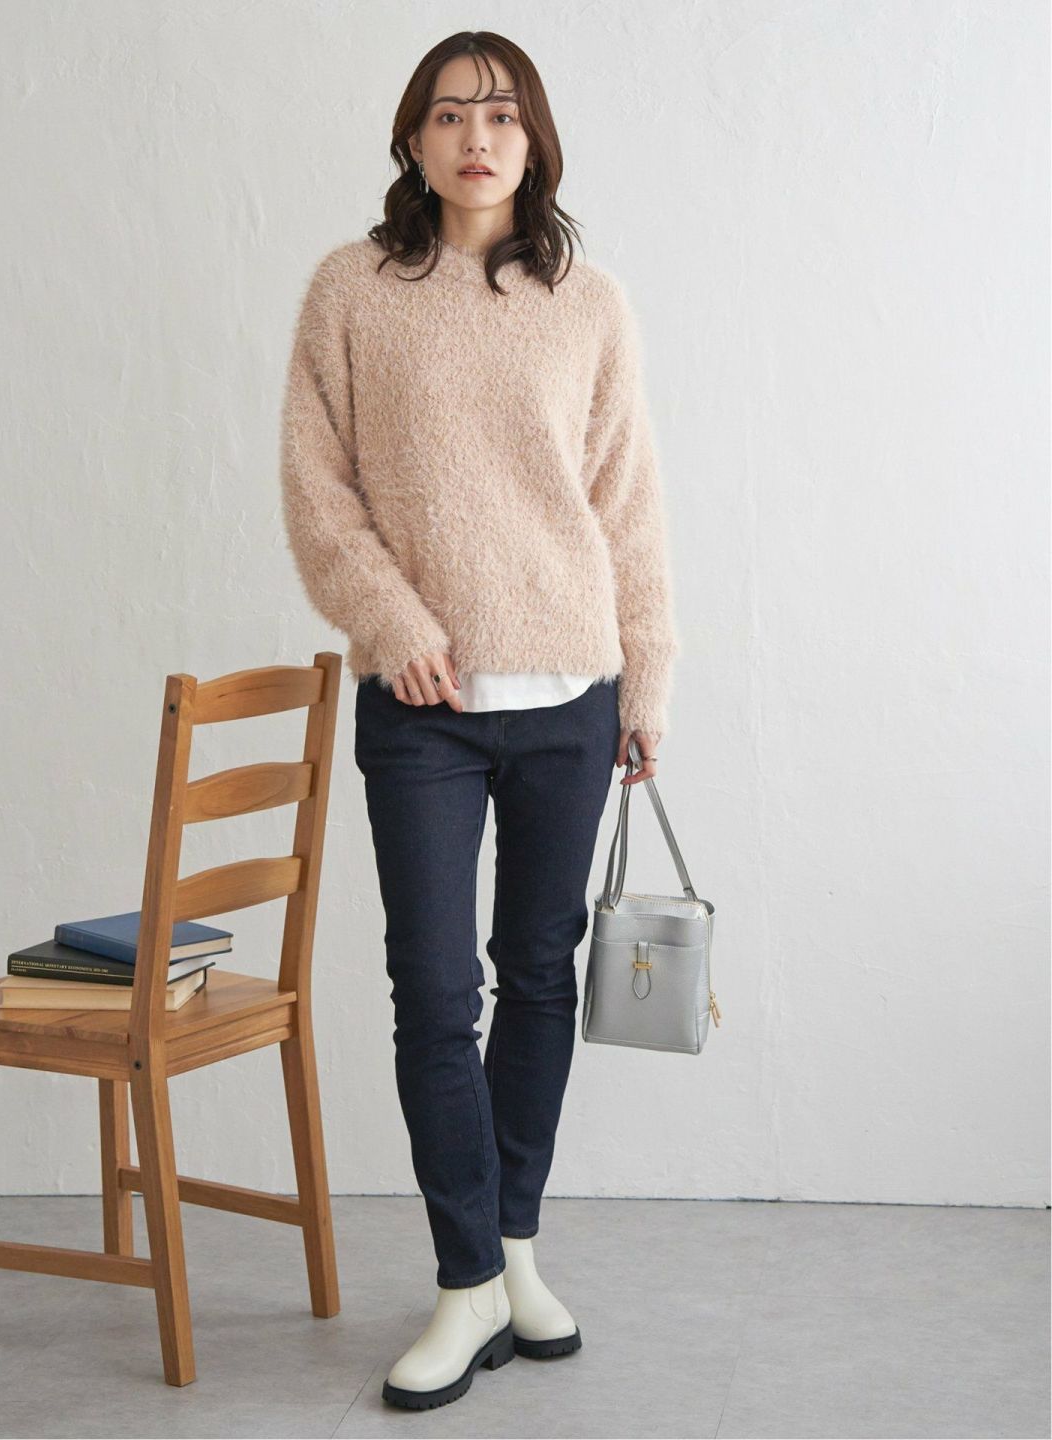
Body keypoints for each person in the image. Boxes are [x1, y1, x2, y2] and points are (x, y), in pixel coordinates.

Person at [279, 29, 679, 1413]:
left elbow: (628, 506)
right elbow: (319, 490)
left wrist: (647, 679)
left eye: (502, 115)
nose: (476, 137)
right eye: (450, 114)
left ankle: (513, 1253)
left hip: (571, 698)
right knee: (437, 994)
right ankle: (463, 1282)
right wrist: (393, 625)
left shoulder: (590, 304)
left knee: (541, 978)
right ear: (413, 138)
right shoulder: (353, 291)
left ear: (535, 140)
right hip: (422, 711)